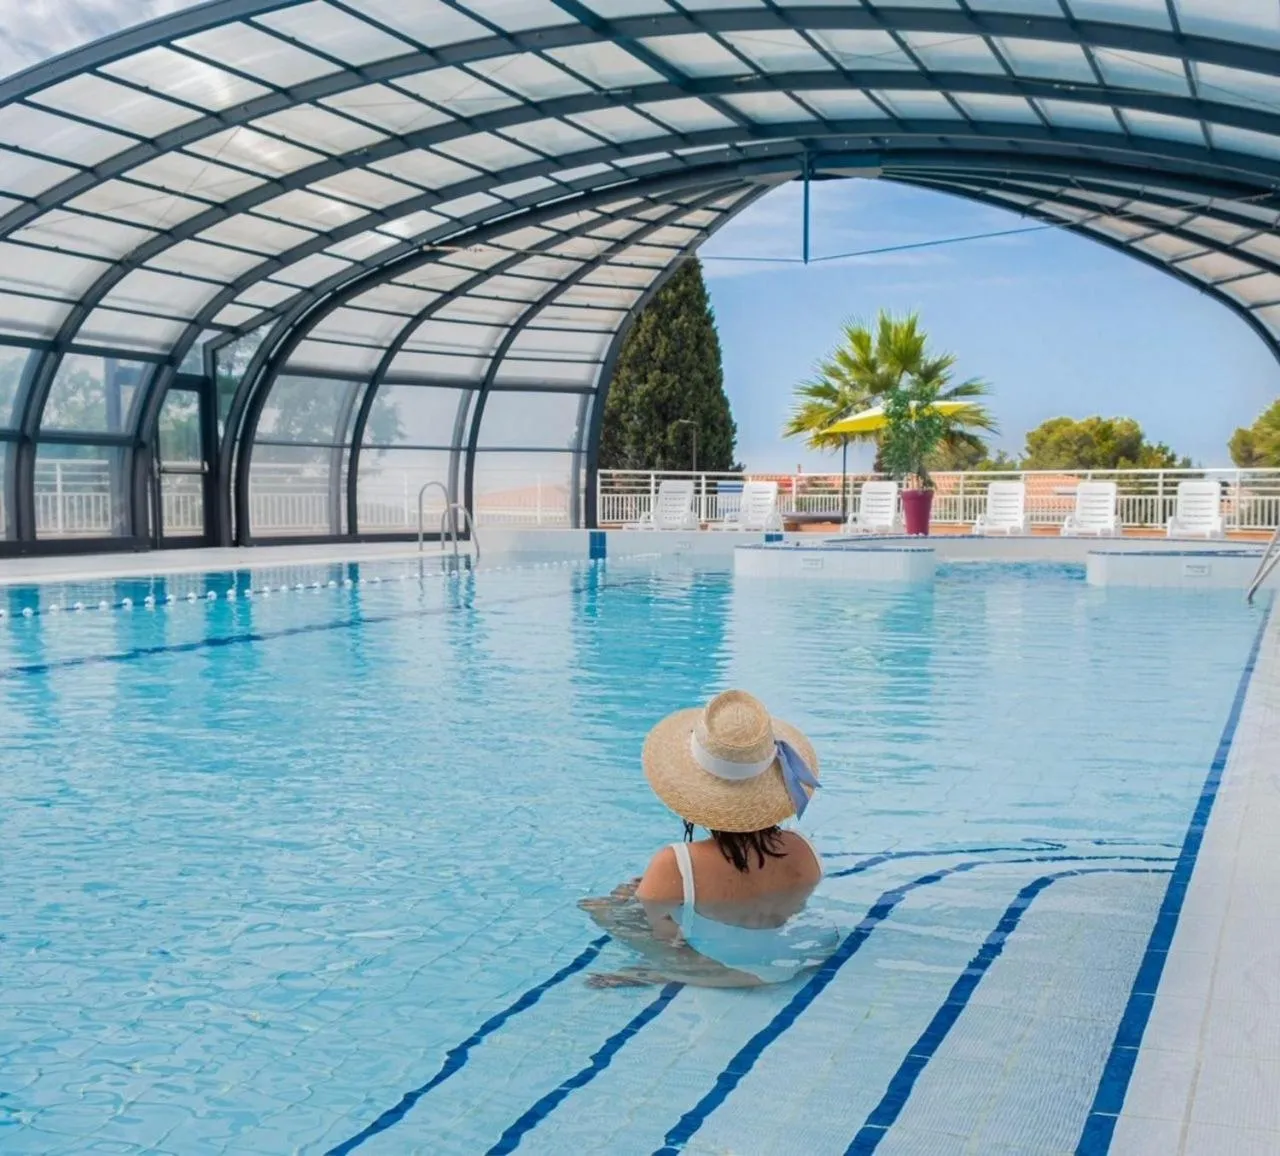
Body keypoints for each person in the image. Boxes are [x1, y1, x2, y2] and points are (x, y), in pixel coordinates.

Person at [580, 690, 838, 987]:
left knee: (606, 906)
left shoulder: (675, 862)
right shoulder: (806, 852)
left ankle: (672, 973)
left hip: (720, 966)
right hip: (791, 962)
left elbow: (664, 935)